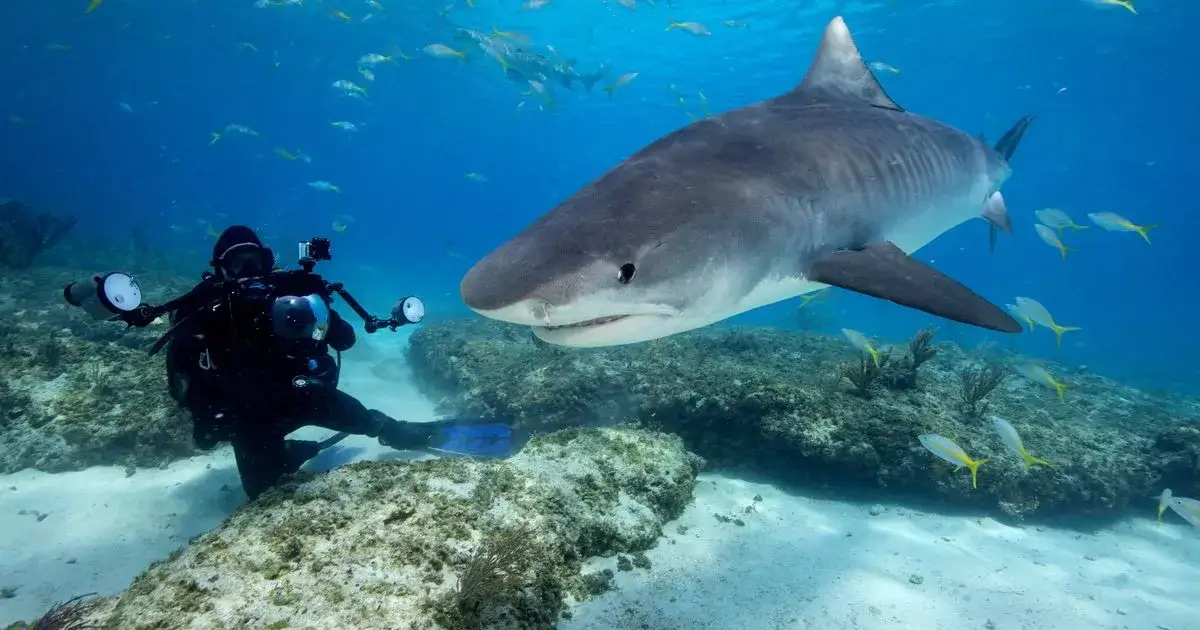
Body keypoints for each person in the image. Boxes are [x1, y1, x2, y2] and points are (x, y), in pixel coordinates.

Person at [124, 225, 508, 500]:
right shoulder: (202, 308)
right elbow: (182, 379)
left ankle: (411, 433)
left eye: (253, 260)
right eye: (235, 263)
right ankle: (300, 451)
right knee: (263, 493)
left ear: (267, 261)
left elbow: (345, 339)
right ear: (218, 269)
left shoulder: (293, 294)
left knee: (378, 424)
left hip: (306, 394)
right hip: (249, 418)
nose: (247, 271)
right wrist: (210, 415)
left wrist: (313, 309)